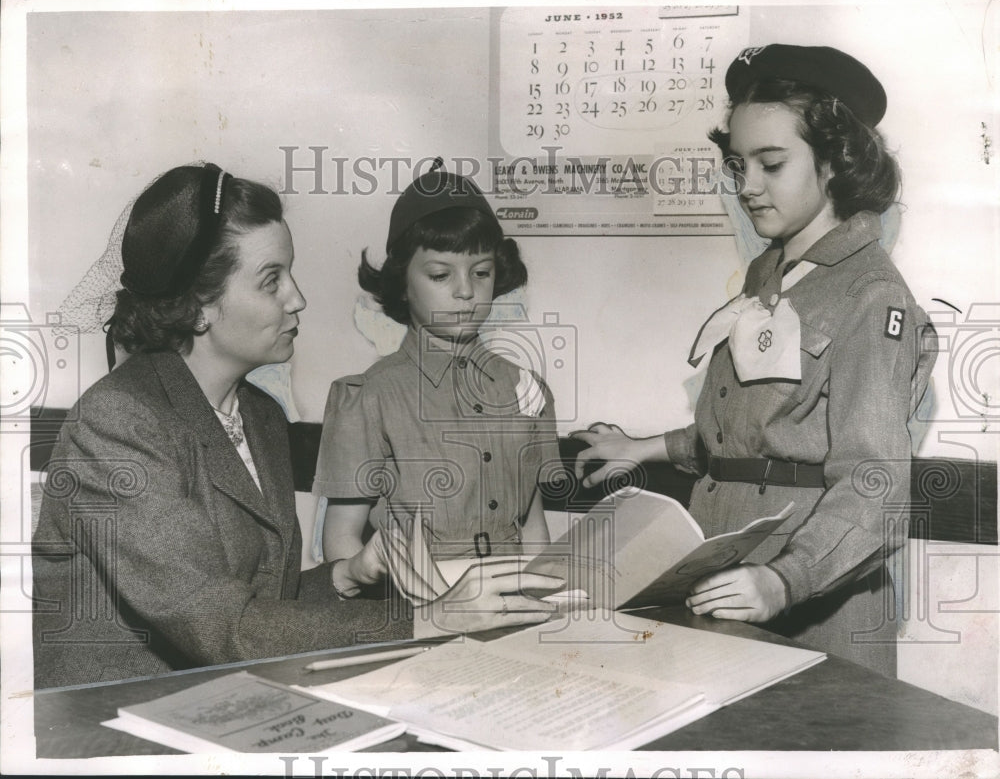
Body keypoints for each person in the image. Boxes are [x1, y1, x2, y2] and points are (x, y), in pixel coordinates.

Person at [31, 163, 562, 689]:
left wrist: (347, 575)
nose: (297, 298)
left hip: (224, 700)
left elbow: (269, 606)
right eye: (271, 281)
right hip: (116, 727)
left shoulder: (258, 415)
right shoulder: (116, 423)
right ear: (198, 307)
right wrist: (428, 618)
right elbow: (225, 626)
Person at [572, 45, 937, 677]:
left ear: (835, 161)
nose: (747, 186)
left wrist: (784, 580)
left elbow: (875, 485)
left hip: (813, 600)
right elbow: (758, 433)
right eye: (738, 164)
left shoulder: (871, 297)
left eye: (772, 163)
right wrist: (644, 447)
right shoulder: (769, 275)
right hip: (725, 577)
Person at [312, 160, 561, 600]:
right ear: (403, 284)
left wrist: (539, 602)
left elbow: (532, 523)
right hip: (416, 610)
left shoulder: (527, 390)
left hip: (511, 609)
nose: (465, 291)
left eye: (480, 272)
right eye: (441, 275)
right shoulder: (368, 396)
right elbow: (341, 541)